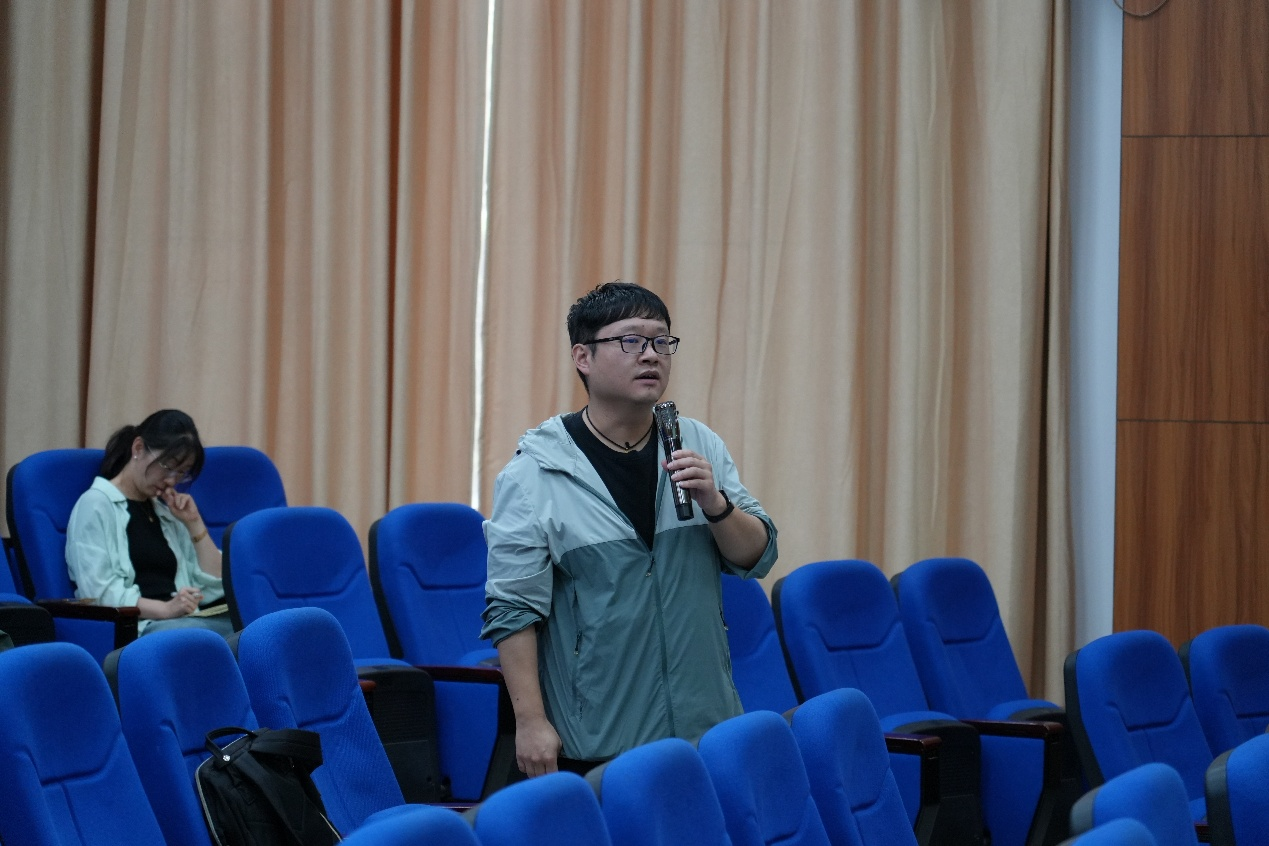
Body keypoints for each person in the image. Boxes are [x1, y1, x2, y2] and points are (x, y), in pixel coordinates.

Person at [481, 281, 778, 776]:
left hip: (704, 725)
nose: (651, 354)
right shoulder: (537, 472)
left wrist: (716, 504)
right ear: (583, 357)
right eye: (631, 340)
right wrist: (530, 722)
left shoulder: (695, 442)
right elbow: (513, 610)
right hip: (600, 733)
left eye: (662, 341)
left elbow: (756, 555)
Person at [66, 409, 232, 636]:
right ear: (138, 448)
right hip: (136, 631)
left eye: (181, 473)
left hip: (183, 624)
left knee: (251, 623)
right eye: (168, 466)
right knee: (209, 636)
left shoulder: (166, 513)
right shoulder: (95, 505)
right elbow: (99, 595)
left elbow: (217, 586)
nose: (172, 481)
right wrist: (166, 609)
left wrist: (195, 524)